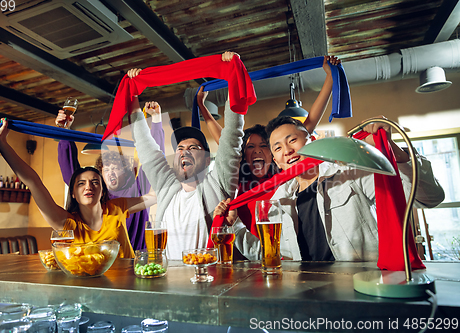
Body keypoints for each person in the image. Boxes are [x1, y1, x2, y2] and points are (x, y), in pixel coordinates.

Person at [214, 115, 445, 261]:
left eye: (292, 140)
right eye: (277, 148)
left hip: (361, 290)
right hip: (304, 299)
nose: (287, 150)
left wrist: (396, 152)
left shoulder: (350, 173)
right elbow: (269, 256)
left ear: (313, 141)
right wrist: (235, 227)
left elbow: (429, 198)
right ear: (275, 159)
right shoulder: (276, 200)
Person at [216, 56, 341, 260]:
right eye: (251, 147)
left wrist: (330, 78)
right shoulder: (239, 187)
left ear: (272, 156)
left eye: (264, 146)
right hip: (262, 256)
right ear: (242, 155)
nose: (257, 151)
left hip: (288, 259)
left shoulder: (285, 182)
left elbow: (306, 127)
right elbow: (227, 139)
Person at [128, 51, 245, 259]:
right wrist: (133, 95)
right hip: (170, 284)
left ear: (208, 160)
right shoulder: (167, 187)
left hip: (210, 281)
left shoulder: (218, 183)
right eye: (180, 148)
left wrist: (233, 73)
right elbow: (145, 146)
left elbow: (231, 136)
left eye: (193, 148)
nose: (185, 151)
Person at [0, 119, 157, 258]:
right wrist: (1, 143)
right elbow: (33, 181)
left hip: (128, 287)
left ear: (103, 190)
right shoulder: (66, 224)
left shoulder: (117, 208)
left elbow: (155, 195)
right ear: (73, 193)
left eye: (95, 182)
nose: (88, 186)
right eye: (81, 183)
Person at [55, 104, 165, 251]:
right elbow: (72, 173)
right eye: (106, 169)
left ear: (125, 172)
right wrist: (64, 132)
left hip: (137, 261)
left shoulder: (137, 186)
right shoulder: (96, 195)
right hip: (102, 261)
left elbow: (153, 158)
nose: (110, 172)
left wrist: (156, 121)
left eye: (115, 168)